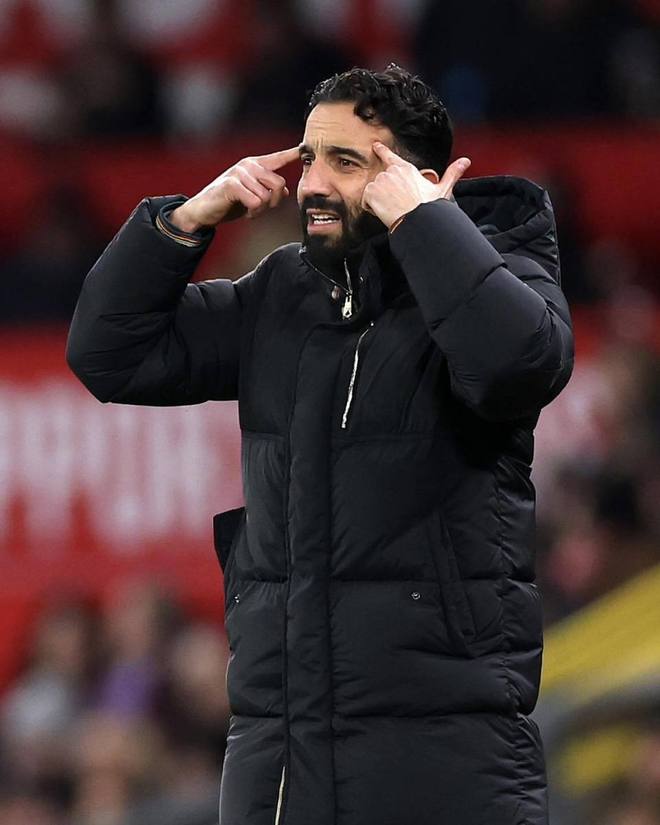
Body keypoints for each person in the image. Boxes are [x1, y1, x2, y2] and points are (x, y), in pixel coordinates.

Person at [67, 65, 574, 825]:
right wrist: (186, 221)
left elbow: (518, 364)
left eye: (345, 161)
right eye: (308, 158)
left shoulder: (505, 272)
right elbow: (108, 353)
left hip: (447, 750)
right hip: (279, 750)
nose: (312, 184)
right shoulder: (279, 293)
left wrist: (425, 226)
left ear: (412, 178)